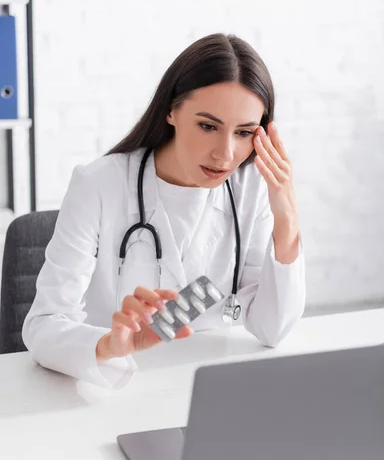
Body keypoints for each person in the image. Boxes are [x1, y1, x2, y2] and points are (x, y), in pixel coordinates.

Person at [22, 33, 306, 389]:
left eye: (244, 132)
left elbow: (272, 329)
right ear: (171, 110)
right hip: (114, 386)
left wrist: (287, 218)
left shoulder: (251, 190)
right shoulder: (99, 184)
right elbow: (43, 324)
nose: (225, 154)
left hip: (208, 389)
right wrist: (106, 345)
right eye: (208, 126)